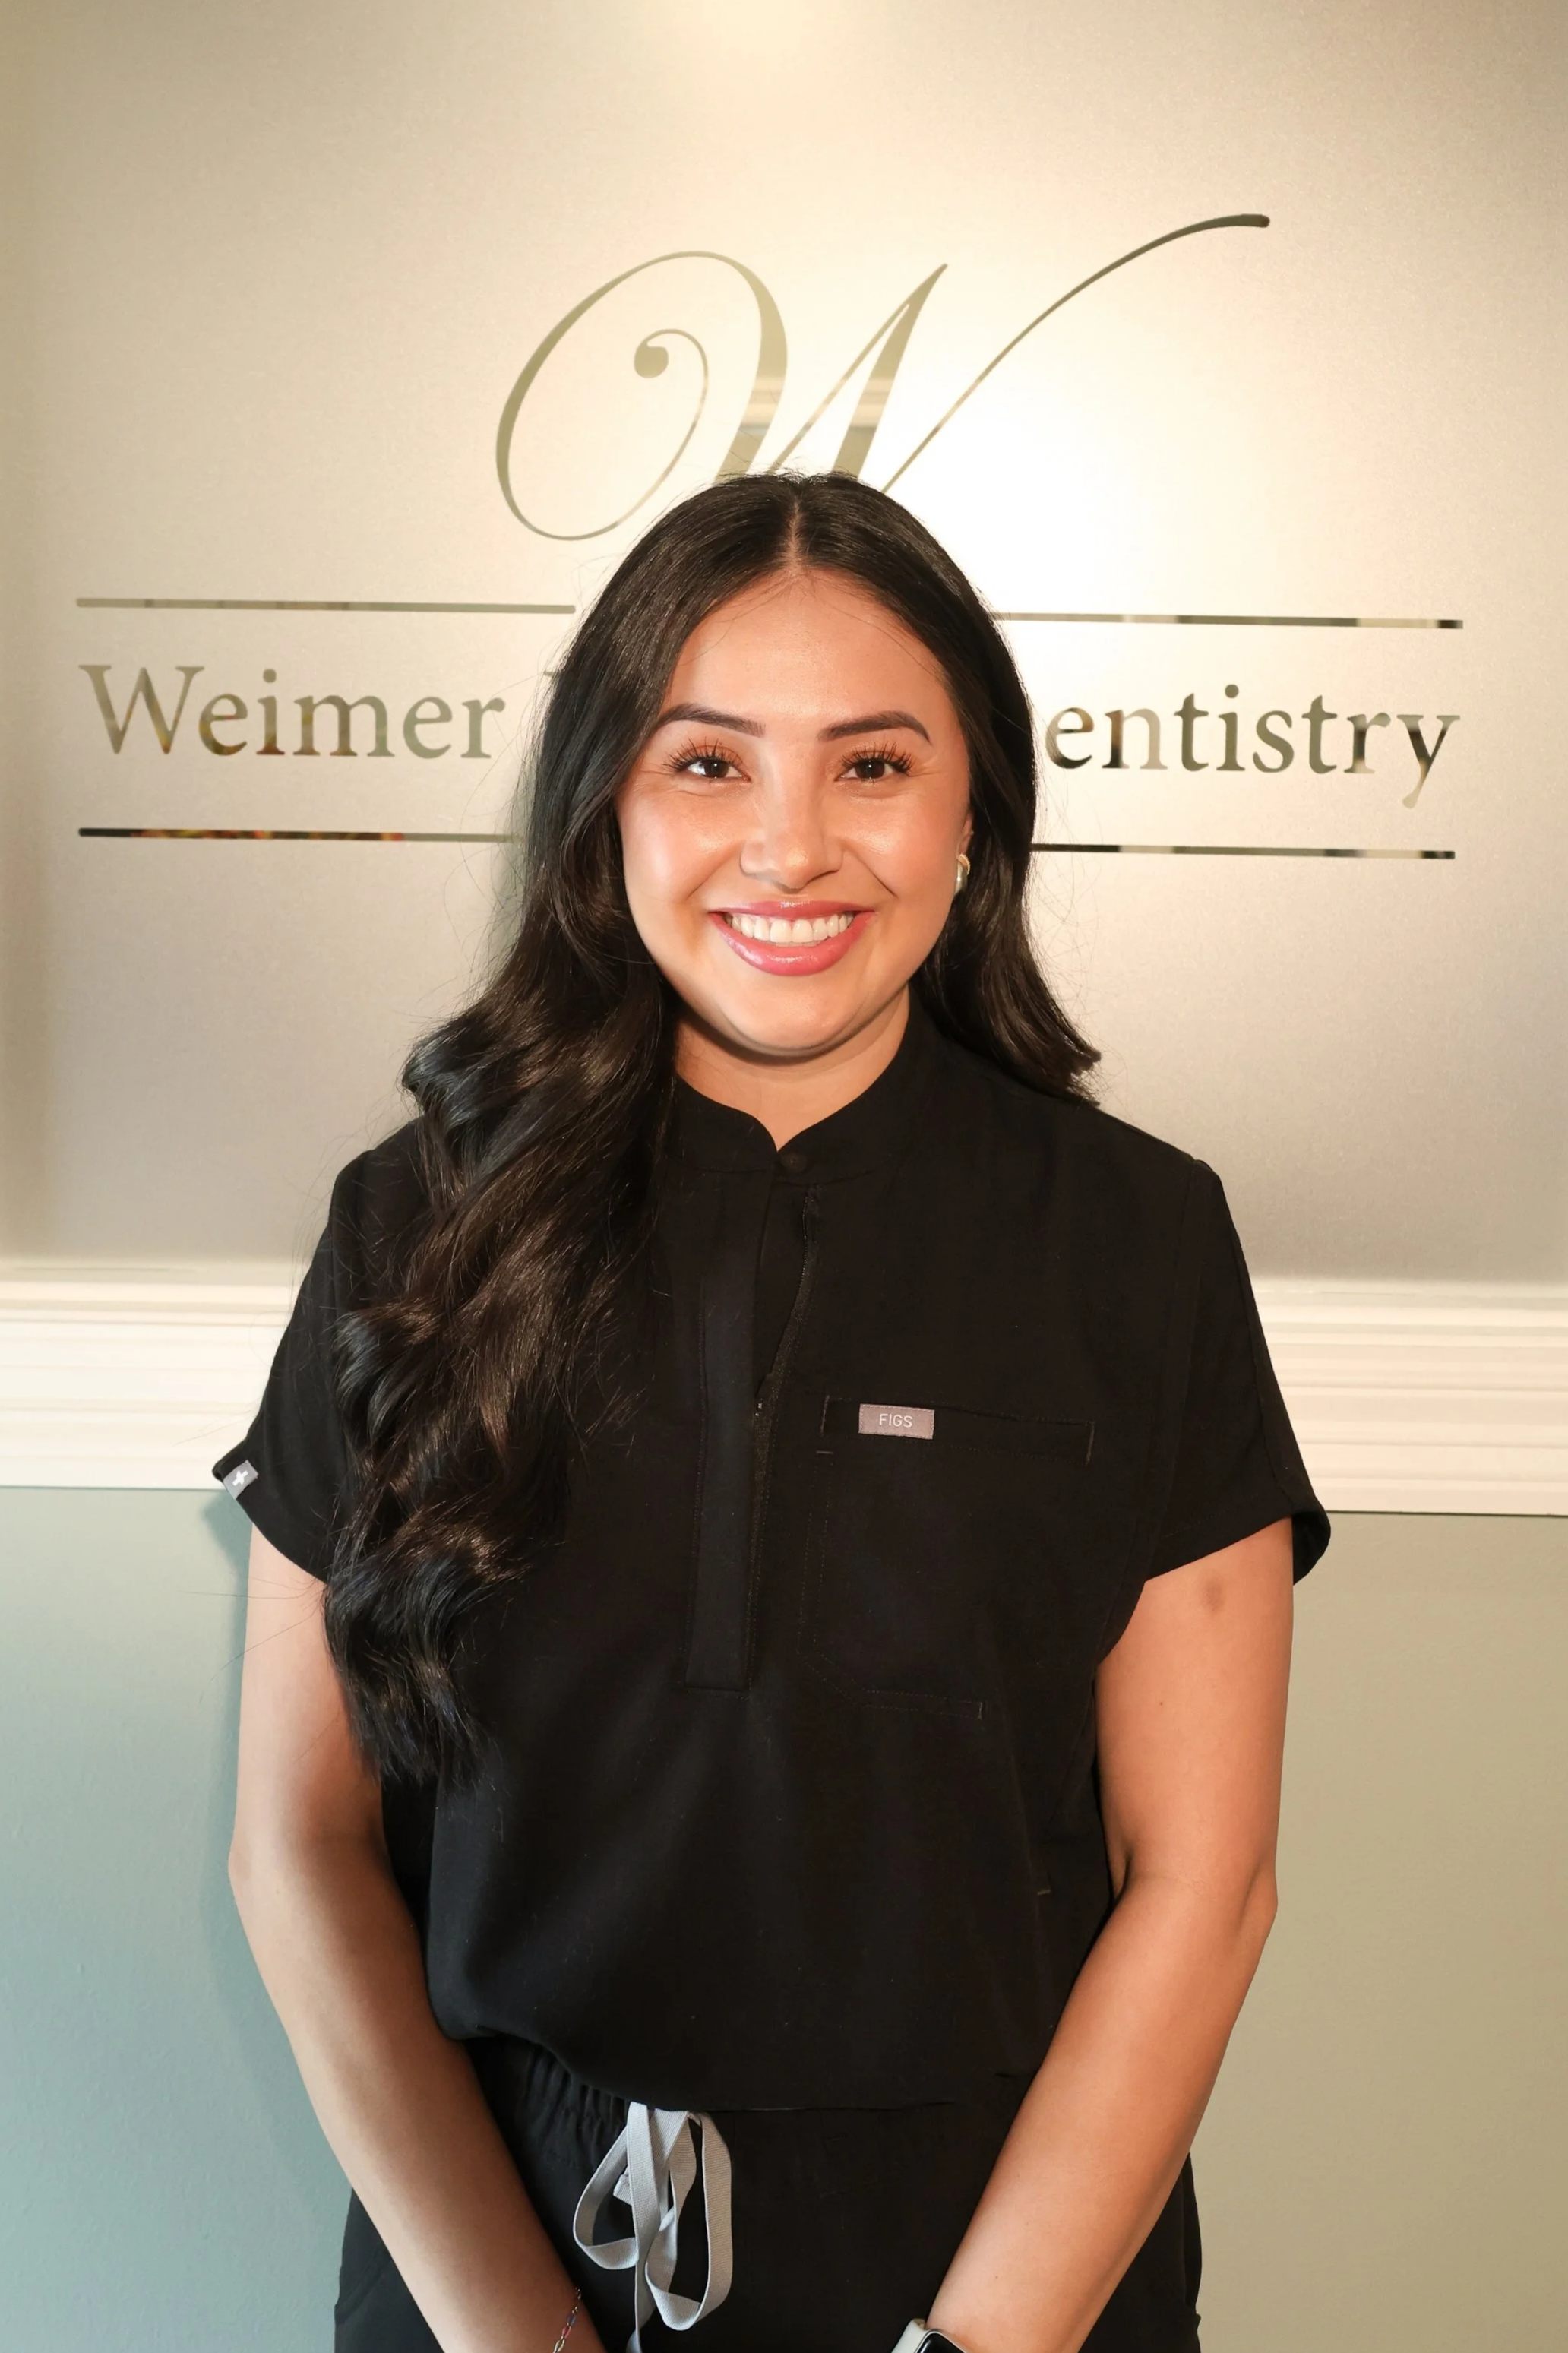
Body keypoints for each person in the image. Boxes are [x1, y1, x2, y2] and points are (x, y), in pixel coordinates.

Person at [219, 471, 1328, 2353]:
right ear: (606, 809)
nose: (791, 848)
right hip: (491, 2251)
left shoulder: (1139, 1238)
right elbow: (295, 1844)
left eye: (873, 766)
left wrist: (982, 2345)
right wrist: (517, 2334)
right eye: (709, 764)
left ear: (976, 805)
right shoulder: (408, 1224)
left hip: (1004, 2260)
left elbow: (1200, 1882)